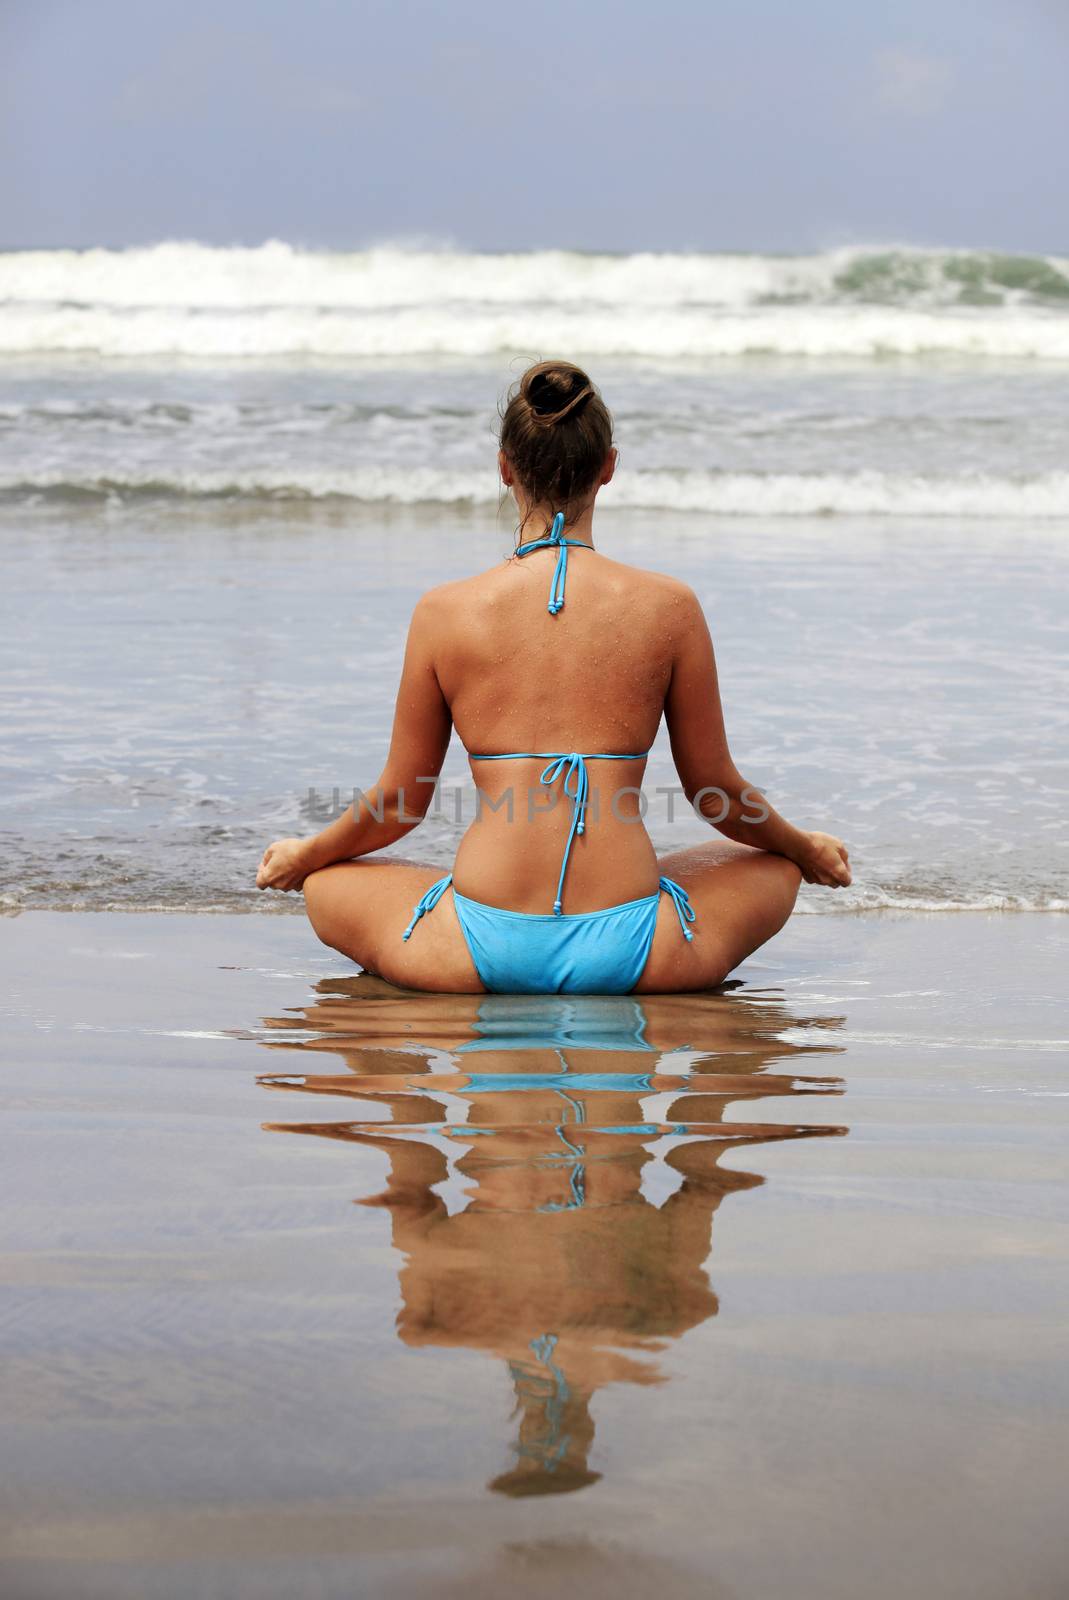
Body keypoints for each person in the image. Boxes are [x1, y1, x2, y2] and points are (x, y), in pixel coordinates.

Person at [256, 360, 851, 993]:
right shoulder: (670, 606)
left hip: (471, 948)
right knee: (771, 865)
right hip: (639, 949)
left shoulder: (444, 611)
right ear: (609, 468)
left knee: (327, 883)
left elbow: (400, 806)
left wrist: (307, 852)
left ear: (505, 468)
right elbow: (715, 793)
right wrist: (804, 847)